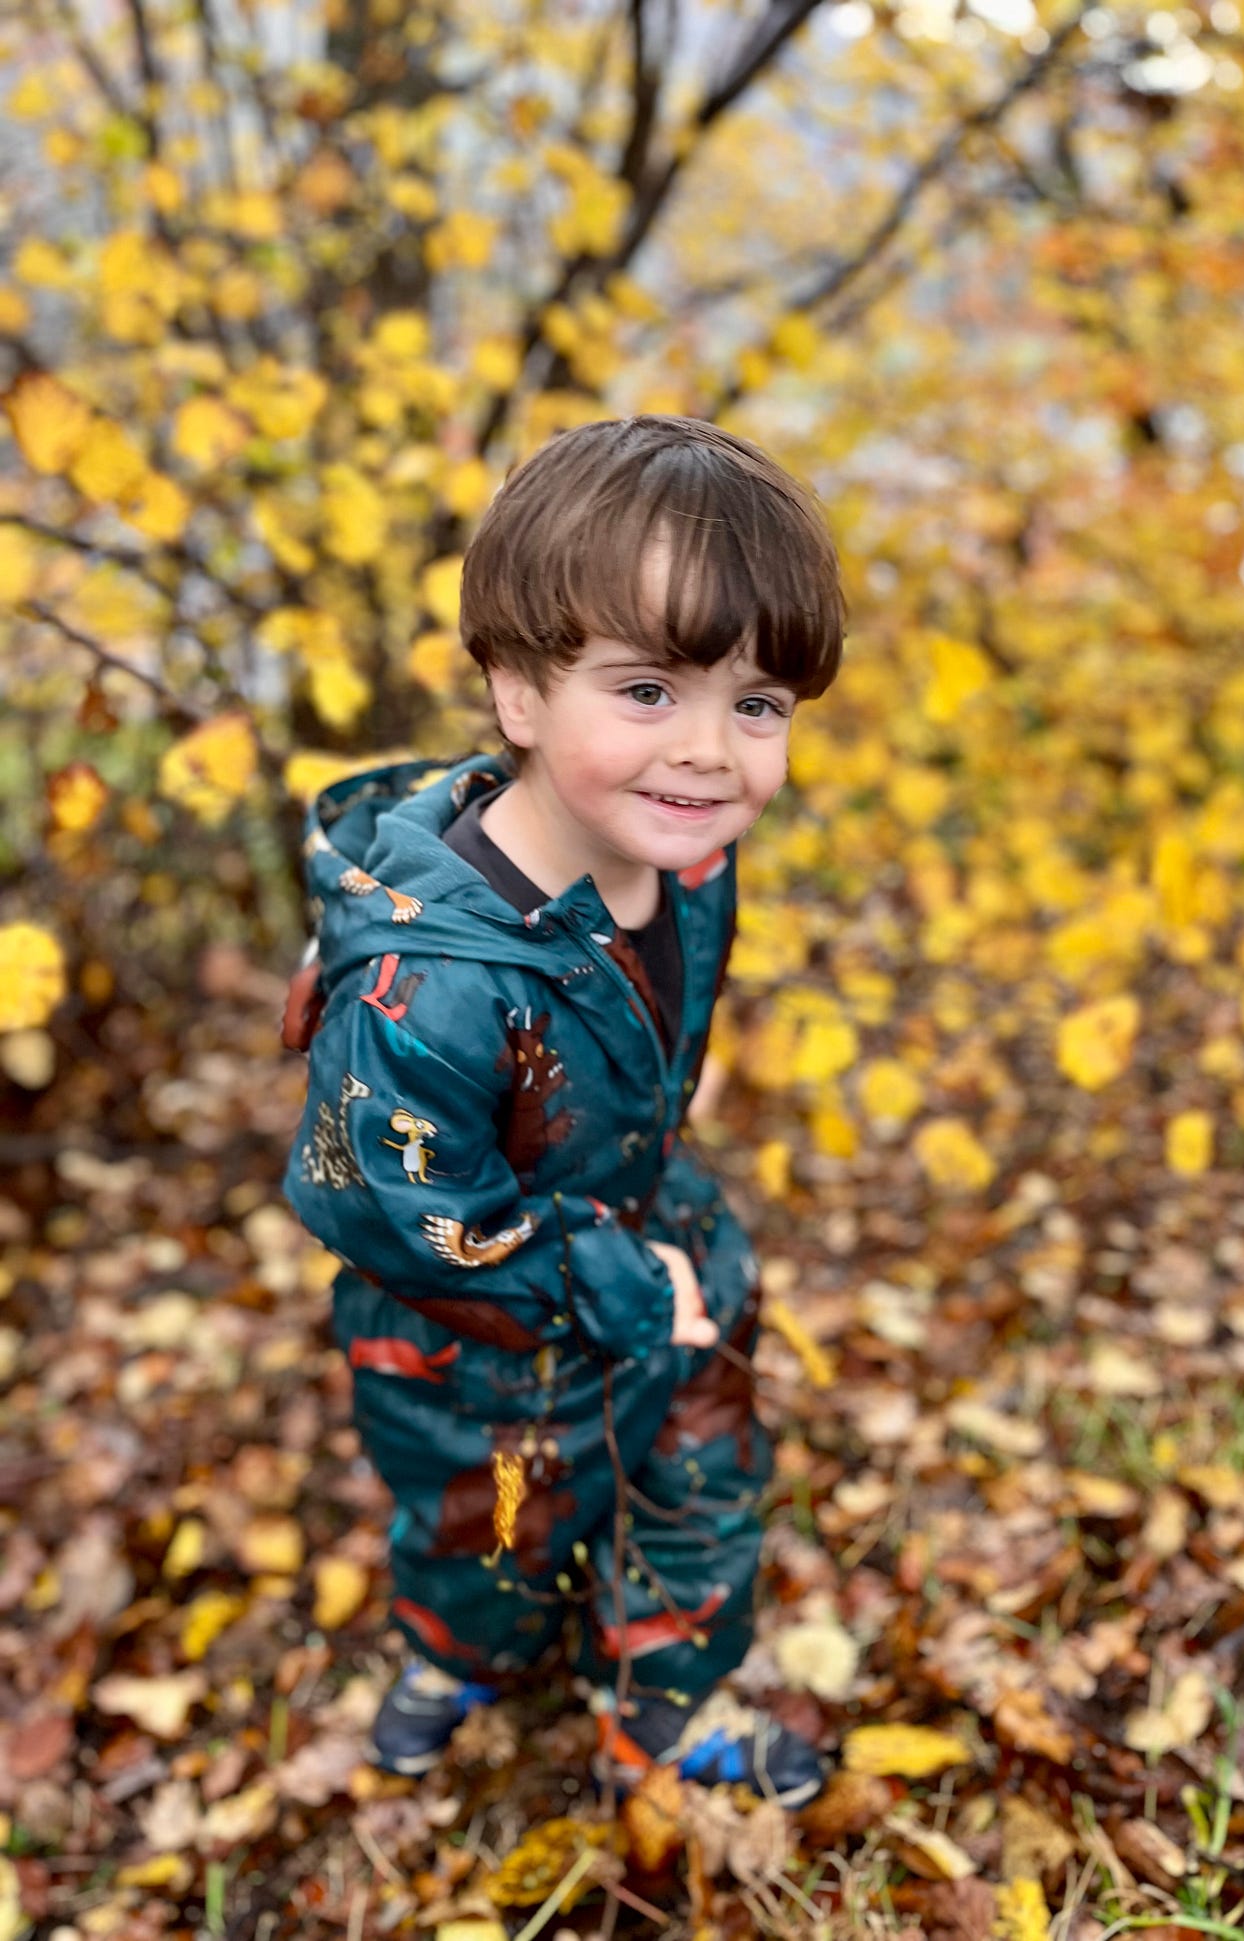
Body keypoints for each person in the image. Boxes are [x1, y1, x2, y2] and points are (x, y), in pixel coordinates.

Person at [282, 415, 843, 1806]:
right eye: (647, 690)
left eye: (758, 704)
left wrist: (656, 1267)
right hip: (472, 1340)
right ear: (519, 693)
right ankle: (458, 1656)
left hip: (653, 1239)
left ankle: (663, 1707)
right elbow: (391, 1211)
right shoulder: (427, 987)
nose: (711, 752)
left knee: (701, 1487)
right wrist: (614, 1282)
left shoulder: (685, 858)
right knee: (489, 1543)